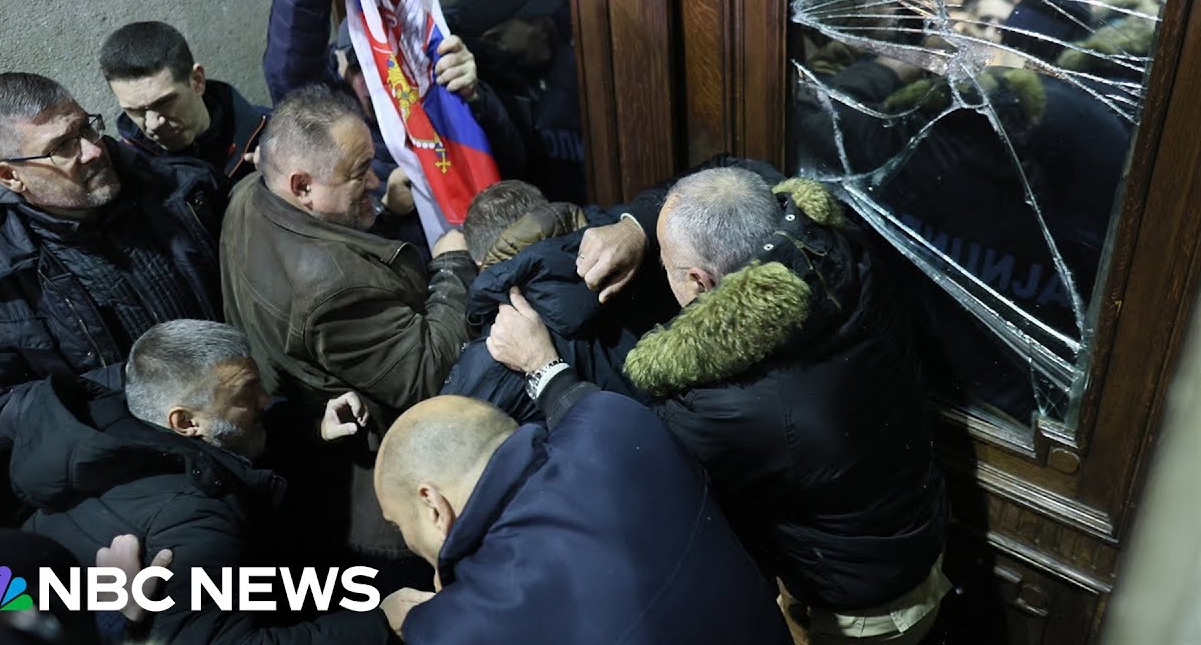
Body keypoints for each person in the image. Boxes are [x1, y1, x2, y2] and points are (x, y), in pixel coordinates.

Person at [490, 167, 949, 644]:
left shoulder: (734, 400)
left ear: (699, 282)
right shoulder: (840, 253)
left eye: (664, 262)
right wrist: (635, 227)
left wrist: (542, 368)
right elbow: (741, 171)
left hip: (864, 613)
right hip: (911, 536)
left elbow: (627, 463)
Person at [219, 83, 474, 581]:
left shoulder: (248, 195)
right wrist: (452, 267)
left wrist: (380, 213)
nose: (375, 181)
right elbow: (425, 371)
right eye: (359, 173)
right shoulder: (332, 288)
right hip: (382, 508)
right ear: (302, 186)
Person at [12, 320, 390, 644]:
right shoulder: (194, 516)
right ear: (185, 422)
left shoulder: (109, 437)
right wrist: (378, 625)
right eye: (247, 393)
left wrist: (312, 429)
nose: (265, 399)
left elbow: (223, 448)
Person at [0, 72, 226, 452]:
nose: (92, 150)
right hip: (136, 459)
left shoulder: (181, 187)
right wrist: (133, 385)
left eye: (86, 127)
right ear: (8, 175)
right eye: (63, 146)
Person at [372, 389, 791, 644]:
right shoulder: (616, 419)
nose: (403, 537)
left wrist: (429, 616)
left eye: (397, 523)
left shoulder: (453, 631)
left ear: (432, 505)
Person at [262, 0, 527, 250]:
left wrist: (474, 98)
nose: (380, 84)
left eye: (389, 70)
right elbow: (289, 67)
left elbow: (517, 164)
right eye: (363, 70)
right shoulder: (338, 124)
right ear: (340, 66)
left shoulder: (436, 85)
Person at [441, 180, 674, 422]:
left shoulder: (500, 346)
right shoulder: (634, 235)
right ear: (548, 214)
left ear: (480, 263)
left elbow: (447, 437)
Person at [452, 0, 586, 204]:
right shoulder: (481, 104)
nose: (545, 23)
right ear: (496, 39)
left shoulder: (554, 61)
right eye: (531, 19)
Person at [100, 21, 268, 186]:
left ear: (197, 81)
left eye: (164, 102)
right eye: (134, 111)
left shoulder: (271, 136)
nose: (153, 124)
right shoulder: (124, 175)